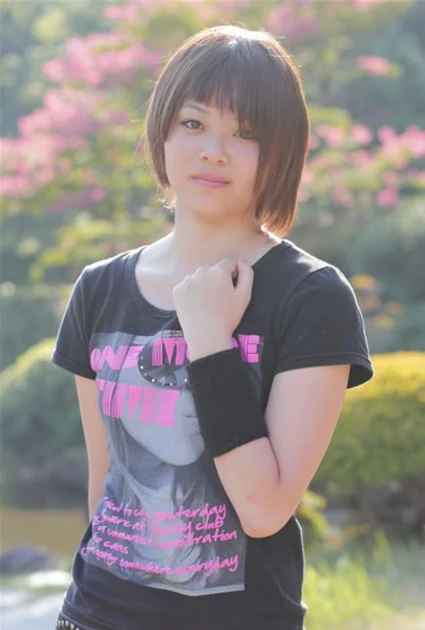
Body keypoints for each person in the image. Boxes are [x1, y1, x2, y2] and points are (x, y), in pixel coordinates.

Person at [52, 24, 374, 630]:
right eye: (193, 123)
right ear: (163, 132)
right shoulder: (100, 288)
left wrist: (208, 342)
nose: (214, 151)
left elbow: (263, 508)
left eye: (245, 133)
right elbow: (105, 487)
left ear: (280, 151)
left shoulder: (312, 296)